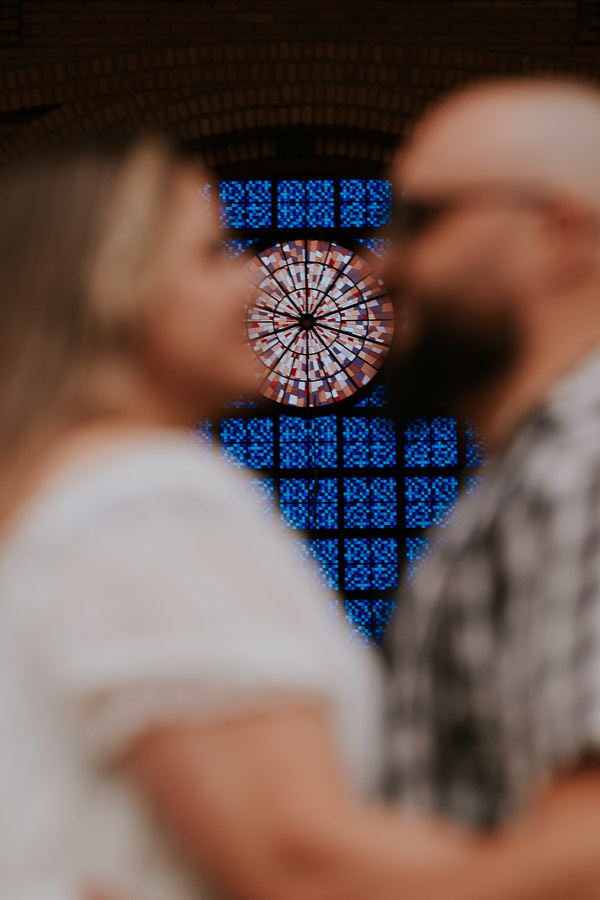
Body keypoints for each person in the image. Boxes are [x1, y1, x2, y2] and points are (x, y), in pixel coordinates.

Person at [0, 134, 469, 900]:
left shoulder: (48, 497)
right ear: (106, 286)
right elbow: (298, 865)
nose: (256, 282)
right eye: (215, 253)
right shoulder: (139, 501)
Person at [378, 76, 600, 897]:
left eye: (422, 220)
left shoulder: (586, 462)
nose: (382, 263)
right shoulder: (537, 469)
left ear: (558, 234)